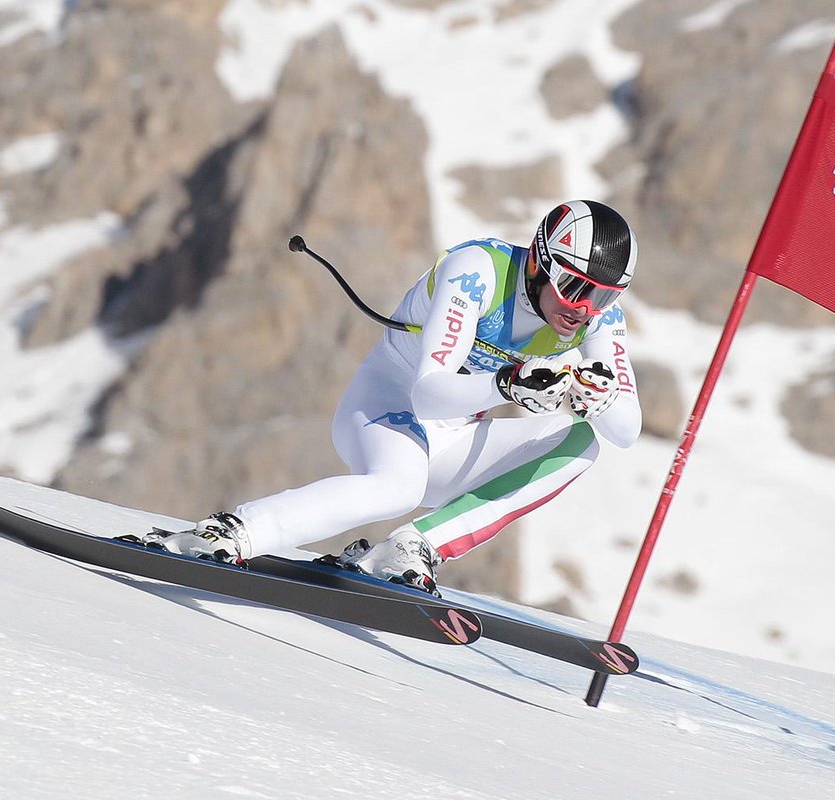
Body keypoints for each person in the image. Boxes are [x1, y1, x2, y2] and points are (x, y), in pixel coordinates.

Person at [143, 200, 642, 594]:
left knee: (583, 443)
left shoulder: (598, 320)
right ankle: (230, 533)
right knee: (397, 487)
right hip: (388, 406)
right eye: (575, 286)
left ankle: (412, 546)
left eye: (604, 296)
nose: (584, 309)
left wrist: (599, 400)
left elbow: (628, 429)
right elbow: (427, 394)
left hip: (452, 444)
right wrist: (507, 384)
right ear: (538, 260)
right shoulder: (478, 271)